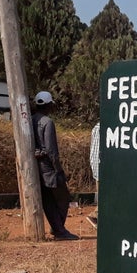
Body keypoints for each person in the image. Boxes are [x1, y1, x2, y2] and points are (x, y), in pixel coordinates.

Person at [31, 91, 79, 241]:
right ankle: (59, 230)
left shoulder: (30, 120)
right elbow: (51, 150)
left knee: (48, 200)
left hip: (36, 168)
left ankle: (57, 227)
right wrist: (58, 169)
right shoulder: (48, 122)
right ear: (49, 105)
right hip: (49, 169)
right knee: (64, 198)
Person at [87, 122, 100, 229]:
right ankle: (94, 216)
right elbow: (95, 154)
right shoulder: (100, 128)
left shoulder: (97, 127)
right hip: (103, 170)